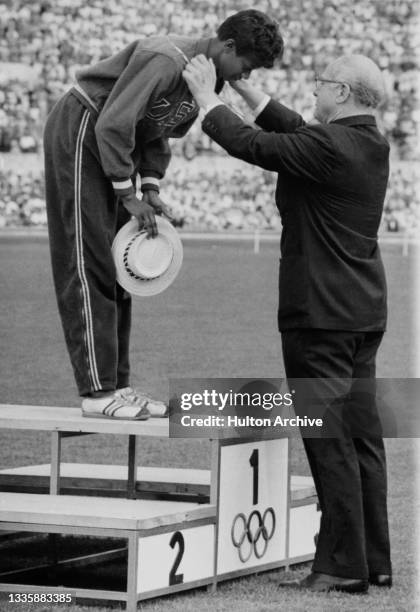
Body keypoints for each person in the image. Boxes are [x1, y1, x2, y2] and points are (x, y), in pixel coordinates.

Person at [183, 54, 392, 592]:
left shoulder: (328, 146)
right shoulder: (368, 143)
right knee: (363, 436)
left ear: (341, 92)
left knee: (330, 440)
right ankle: (373, 558)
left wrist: (211, 101)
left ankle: (343, 567)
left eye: (321, 84)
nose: (314, 91)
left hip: (319, 315)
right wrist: (252, 95)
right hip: (361, 313)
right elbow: (297, 130)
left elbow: (259, 147)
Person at [43, 10, 284, 420]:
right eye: (247, 65)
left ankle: (117, 386)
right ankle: (96, 392)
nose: (248, 74)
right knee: (89, 262)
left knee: (121, 268)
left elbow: (156, 132)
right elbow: (114, 125)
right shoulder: (167, 59)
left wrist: (150, 187)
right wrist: (127, 192)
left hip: (115, 145)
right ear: (227, 47)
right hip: (84, 127)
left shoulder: (207, 77)